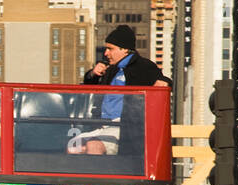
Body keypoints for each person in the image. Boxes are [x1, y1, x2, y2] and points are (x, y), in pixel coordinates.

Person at [71, 25, 169, 155]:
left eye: (110, 49)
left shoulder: (143, 66)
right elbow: (89, 85)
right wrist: (92, 74)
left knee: (93, 146)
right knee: (72, 148)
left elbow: (163, 81)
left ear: (124, 50)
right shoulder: (111, 69)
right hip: (100, 125)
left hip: (124, 128)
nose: (106, 53)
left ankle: (100, 175)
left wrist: (165, 82)